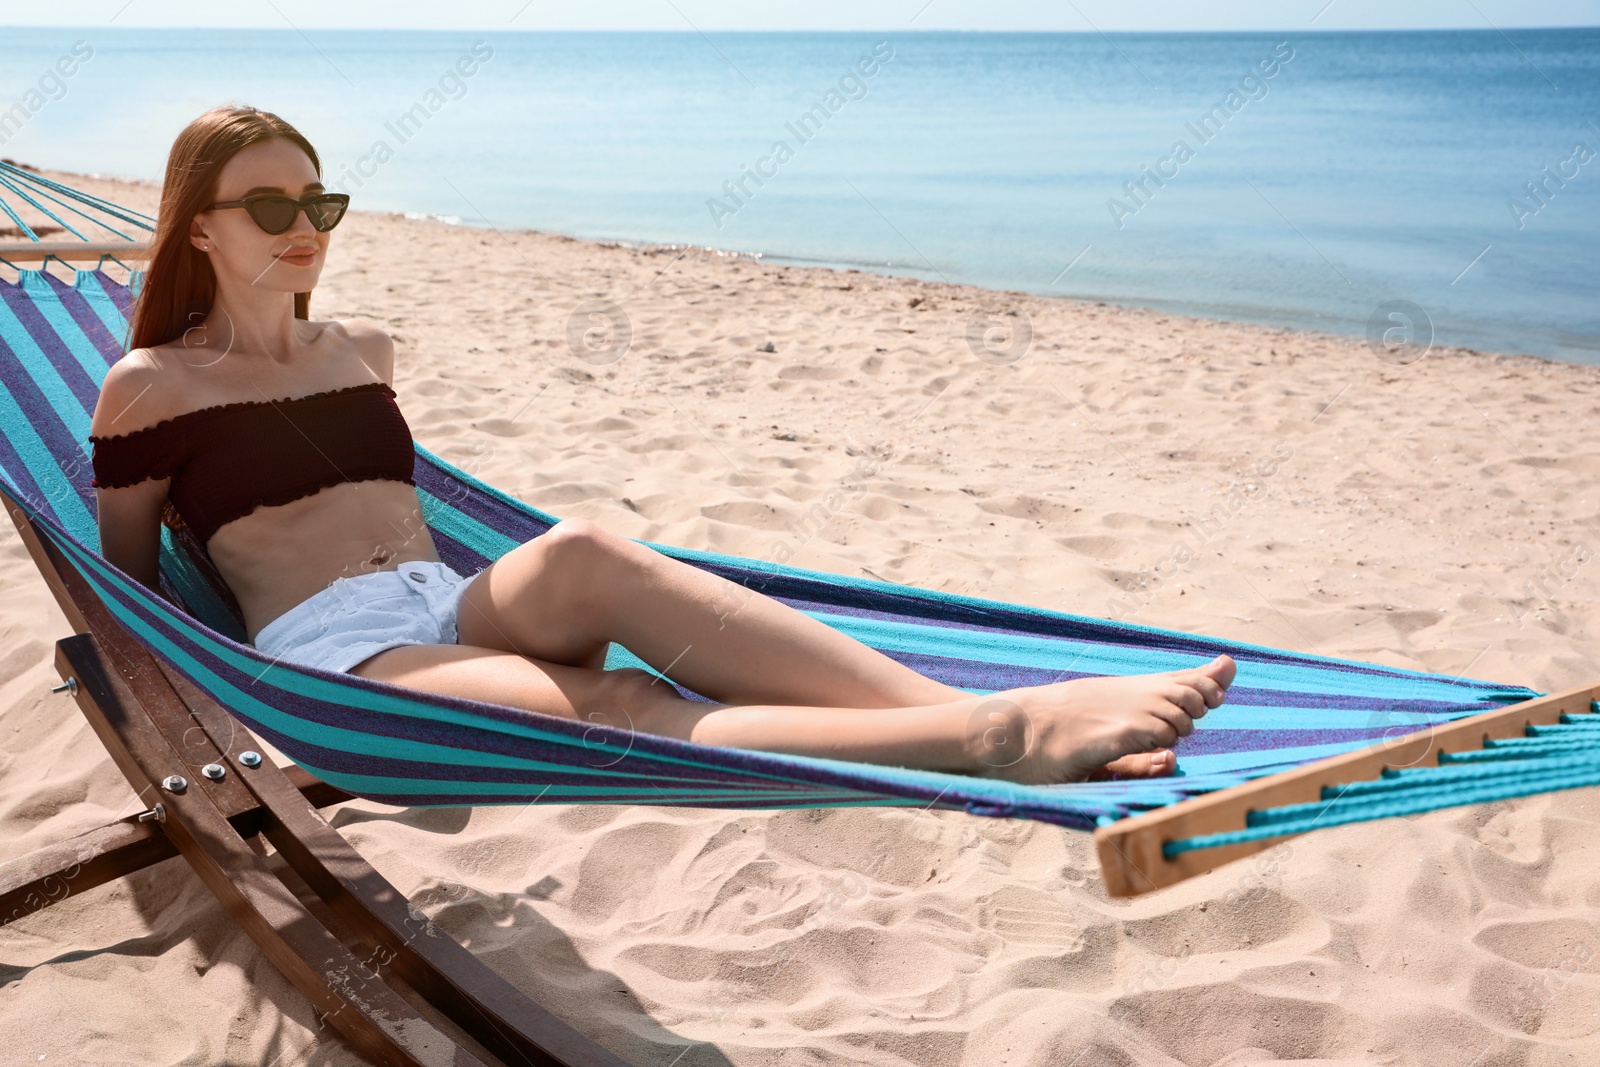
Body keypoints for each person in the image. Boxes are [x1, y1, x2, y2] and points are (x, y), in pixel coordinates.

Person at [90, 104, 1236, 787]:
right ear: (199, 225)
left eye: (319, 205)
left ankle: (924, 703)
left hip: (445, 596)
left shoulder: (365, 347)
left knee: (588, 546)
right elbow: (131, 583)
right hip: (347, 664)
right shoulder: (151, 386)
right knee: (618, 705)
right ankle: (998, 731)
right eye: (271, 209)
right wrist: (222, 696)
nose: (306, 233)